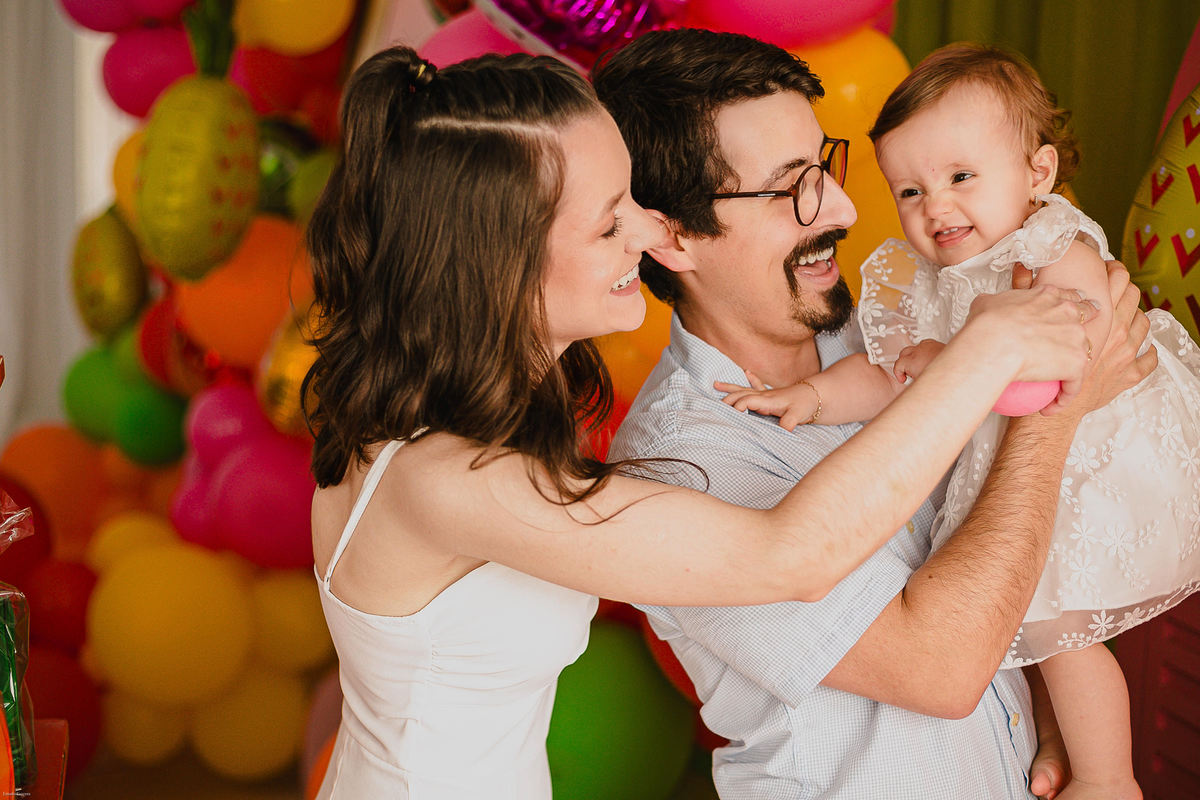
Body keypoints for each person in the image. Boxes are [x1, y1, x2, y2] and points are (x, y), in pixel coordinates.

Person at [305, 44, 1110, 800]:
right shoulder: (443, 476)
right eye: (612, 218)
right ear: (501, 254)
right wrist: (1007, 363)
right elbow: (793, 556)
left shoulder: (497, 434)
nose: (653, 233)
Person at [592, 28, 1157, 799]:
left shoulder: (892, 333)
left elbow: (1006, 553)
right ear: (677, 236)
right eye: (793, 187)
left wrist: (1051, 702)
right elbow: (941, 666)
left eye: (827, 166)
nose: (846, 208)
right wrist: (1054, 409)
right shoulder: (675, 468)